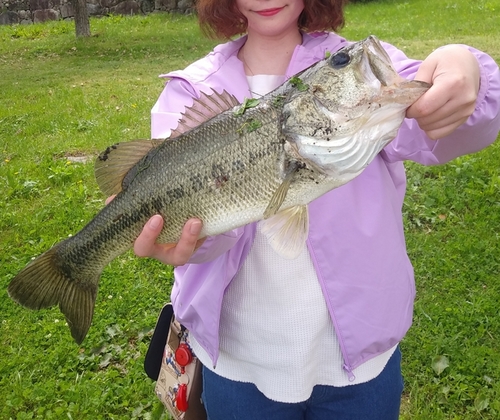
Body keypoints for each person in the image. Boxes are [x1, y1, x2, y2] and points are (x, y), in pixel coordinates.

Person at [133, 1, 500, 419]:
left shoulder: (356, 73)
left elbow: (457, 123)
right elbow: (196, 230)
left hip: (359, 367)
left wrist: (467, 68)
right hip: (236, 362)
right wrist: (186, 242)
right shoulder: (190, 90)